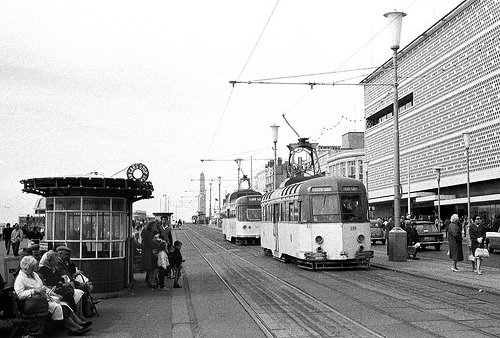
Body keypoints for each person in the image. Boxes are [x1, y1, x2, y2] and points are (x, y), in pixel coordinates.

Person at [14, 255, 91, 336]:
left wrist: (53, 293)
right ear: (26, 268)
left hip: (43, 299)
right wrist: (33, 290)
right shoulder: (20, 279)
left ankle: (77, 324)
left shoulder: (34, 274)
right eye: (32, 267)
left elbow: (42, 287)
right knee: (58, 307)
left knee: (64, 304)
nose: (33, 269)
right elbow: (19, 295)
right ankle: (75, 327)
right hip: (34, 303)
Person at [38, 250, 88, 322]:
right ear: (49, 261)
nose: (56, 262)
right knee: (71, 294)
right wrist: (64, 283)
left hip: (59, 287)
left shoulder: (54, 267)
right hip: (54, 289)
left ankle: (79, 315)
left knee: (79, 292)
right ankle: (76, 318)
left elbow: (59, 278)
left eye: (56, 259)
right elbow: (52, 283)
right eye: (54, 260)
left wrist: (63, 281)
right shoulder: (44, 269)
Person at [142, 221, 161, 288]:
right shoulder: (150, 234)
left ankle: (150, 281)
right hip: (150, 252)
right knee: (154, 267)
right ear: (152, 226)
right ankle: (152, 282)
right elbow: (150, 243)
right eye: (155, 226)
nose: (155, 227)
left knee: (151, 268)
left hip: (148, 252)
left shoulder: (148, 233)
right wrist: (157, 245)